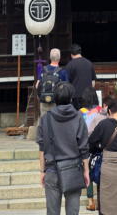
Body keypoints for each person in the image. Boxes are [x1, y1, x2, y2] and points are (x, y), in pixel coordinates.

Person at [38, 82, 90, 215]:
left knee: (52, 212)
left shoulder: (45, 118)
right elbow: (84, 148)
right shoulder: (78, 117)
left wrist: (42, 171)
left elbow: (42, 148)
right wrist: (86, 171)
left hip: (52, 169)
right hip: (73, 169)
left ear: (54, 98)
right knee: (73, 211)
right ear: (71, 98)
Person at [79, 88, 106, 212]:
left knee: (87, 171)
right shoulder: (102, 111)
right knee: (101, 171)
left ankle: (91, 201)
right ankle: (101, 201)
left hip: (86, 146)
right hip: (101, 145)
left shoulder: (81, 112)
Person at [37, 48, 69, 121]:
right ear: (59, 58)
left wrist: (40, 97)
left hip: (44, 101)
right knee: (56, 122)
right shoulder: (62, 72)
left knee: (45, 121)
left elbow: (37, 85)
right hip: (57, 102)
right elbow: (66, 89)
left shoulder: (43, 70)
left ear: (50, 58)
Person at [63, 43, 96, 109]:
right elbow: (93, 82)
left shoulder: (69, 65)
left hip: (75, 97)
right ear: (80, 52)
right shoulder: (89, 63)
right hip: (88, 96)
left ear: (71, 54)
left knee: (77, 114)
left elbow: (66, 84)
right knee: (88, 114)